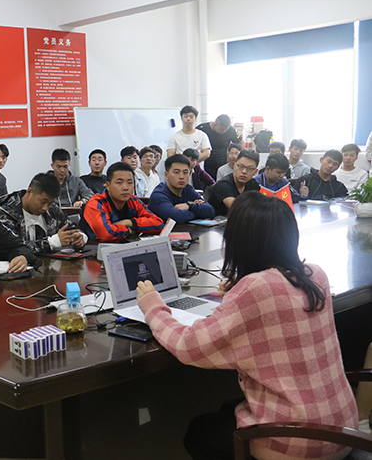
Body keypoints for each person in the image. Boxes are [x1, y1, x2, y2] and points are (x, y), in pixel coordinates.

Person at [136, 191, 357, 460]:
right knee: (228, 407)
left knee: (200, 432)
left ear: (238, 241)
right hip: (343, 427)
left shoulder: (255, 289)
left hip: (300, 443)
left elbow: (188, 346)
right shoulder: (315, 274)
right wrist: (237, 294)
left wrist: (152, 307)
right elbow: (276, 309)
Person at [0, 173, 86, 253]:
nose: (45, 208)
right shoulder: (6, 212)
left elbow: (71, 227)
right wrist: (52, 243)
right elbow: (12, 247)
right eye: (43, 202)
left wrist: (79, 237)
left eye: (50, 203)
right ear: (29, 192)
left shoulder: (52, 209)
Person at [82, 162, 164, 242]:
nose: (125, 187)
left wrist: (130, 222)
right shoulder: (96, 203)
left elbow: (159, 224)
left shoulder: (133, 201)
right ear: (108, 185)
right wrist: (130, 231)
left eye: (130, 182)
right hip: (94, 248)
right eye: (119, 183)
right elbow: (107, 234)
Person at [148, 154, 215, 223]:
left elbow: (211, 211)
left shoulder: (188, 189)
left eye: (185, 172)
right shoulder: (159, 194)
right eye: (176, 172)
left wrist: (190, 206)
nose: (181, 177)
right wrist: (198, 212)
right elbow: (176, 217)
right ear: (166, 175)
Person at [208, 149, 261, 217]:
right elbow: (237, 209)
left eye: (250, 168)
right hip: (216, 222)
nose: (244, 171)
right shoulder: (223, 184)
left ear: (255, 172)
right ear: (234, 166)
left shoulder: (254, 185)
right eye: (241, 166)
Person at [196, 114, 243, 179]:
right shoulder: (202, 128)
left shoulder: (231, 130)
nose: (224, 132)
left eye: (226, 130)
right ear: (215, 124)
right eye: (221, 129)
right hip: (205, 165)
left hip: (222, 164)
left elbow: (241, 142)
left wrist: (239, 158)